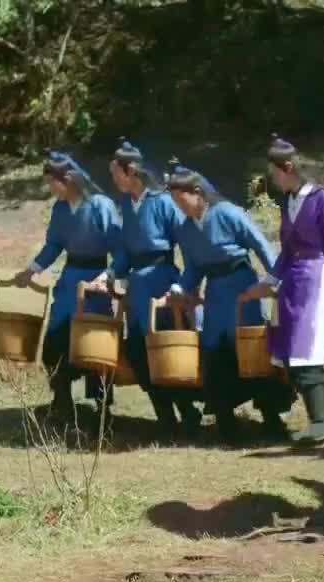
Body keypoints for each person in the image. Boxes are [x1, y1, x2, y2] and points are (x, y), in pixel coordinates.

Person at [241, 135, 324, 447]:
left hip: (315, 278)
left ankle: (322, 422)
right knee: (292, 347)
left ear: (289, 168)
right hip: (293, 281)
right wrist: (270, 280)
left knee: (307, 346)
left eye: (275, 173)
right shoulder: (289, 201)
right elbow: (286, 248)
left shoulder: (322, 198)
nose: (273, 180)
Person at [163, 161, 293, 445]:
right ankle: (226, 423)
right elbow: (193, 268)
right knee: (214, 352)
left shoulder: (228, 213)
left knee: (252, 351)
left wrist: (275, 280)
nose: (179, 206)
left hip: (242, 287)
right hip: (215, 295)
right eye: (174, 201)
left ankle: (272, 418)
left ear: (197, 193)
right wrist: (179, 287)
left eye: (181, 199)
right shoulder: (186, 229)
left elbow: (260, 244)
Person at [102, 138, 203, 439]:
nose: (113, 179)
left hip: (162, 282)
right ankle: (164, 416)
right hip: (137, 288)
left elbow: (188, 244)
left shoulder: (163, 202)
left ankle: (187, 411)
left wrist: (186, 285)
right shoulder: (126, 204)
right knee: (137, 350)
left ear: (130, 170)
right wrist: (111, 273)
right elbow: (125, 250)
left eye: (116, 173)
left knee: (165, 349)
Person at [12, 151, 122, 426]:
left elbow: (119, 248)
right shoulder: (60, 209)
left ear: (68, 179)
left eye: (52, 183)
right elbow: (54, 245)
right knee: (55, 340)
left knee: (95, 343)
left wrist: (108, 277)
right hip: (70, 279)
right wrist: (31, 270)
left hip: (97, 282)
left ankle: (103, 409)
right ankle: (62, 402)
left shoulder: (101, 205)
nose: (50, 189)